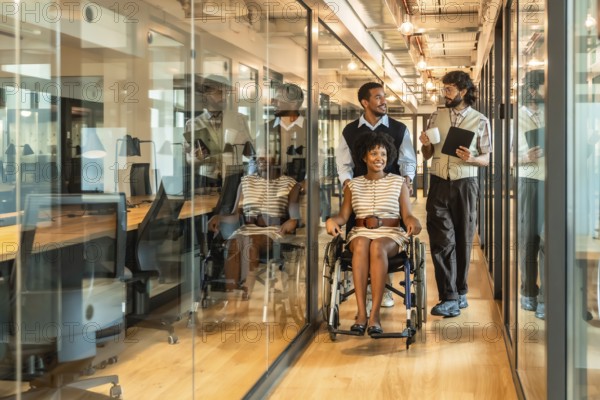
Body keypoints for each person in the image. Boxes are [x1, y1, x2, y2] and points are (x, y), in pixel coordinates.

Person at [326, 132, 421, 336]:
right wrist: (331, 220)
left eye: (384, 154)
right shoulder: (352, 185)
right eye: (374, 153)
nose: (379, 158)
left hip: (391, 234)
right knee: (361, 243)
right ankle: (362, 313)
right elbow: (343, 216)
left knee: (377, 245)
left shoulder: (399, 183)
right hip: (360, 232)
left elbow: (407, 215)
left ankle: (375, 315)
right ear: (364, 157)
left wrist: (414, 222)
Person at [335, 81, 417, 308]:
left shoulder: (399, 128)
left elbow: (408, 159)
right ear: (365, 102)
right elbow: (343, 164)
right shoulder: (350, 131)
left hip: (390, 193)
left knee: (382, 239)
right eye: (379, 97)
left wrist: (407, 180)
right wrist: (349, 185)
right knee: (362, 239)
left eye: (385, 97)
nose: (384, 101)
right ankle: (366, 296)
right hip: (360, 192)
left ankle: (384, 291)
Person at [419, 70, 492, 318]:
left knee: (463, 238)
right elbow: (427, 155)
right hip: (438, 182)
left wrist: (472, 158)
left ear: (462, 91)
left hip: (466, 184)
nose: (445, 94)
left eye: (449, 89)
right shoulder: (434, 117)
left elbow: (486, 158)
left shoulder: (481, 120)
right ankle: (449, 296)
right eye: (444, 89)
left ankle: (460, 291)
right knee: (441, 241)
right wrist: (426, 144)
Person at [207, 150, 301, 297]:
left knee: (250, 243)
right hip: (246, 229)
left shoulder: (289, 184)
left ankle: (245, 294)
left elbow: (294, 214)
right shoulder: (246, 181)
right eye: (259, 155)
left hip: (272, 232)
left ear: (277, 157)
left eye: (267, 153)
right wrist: (219, 218)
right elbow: (235, 215)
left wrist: (292, 221)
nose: (261, 158)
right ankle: (231, 298)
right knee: (233, 243)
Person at [183, 74, 251, 191]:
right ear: (206, 94)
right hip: (205, 181)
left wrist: (245, 142)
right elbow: (189, 160)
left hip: (233, 178)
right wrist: (197, 157)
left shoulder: (239, 120)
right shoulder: (193, 124)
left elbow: (251, 155)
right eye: (219, 92)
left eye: (227, 93)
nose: (224, 97)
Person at [517, 69, 545, 319]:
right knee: (529, 240)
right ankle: (528, 292)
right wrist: (525, 157)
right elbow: (505, 157)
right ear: (534, 90)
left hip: (555, 182)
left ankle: (546, 296)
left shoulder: (555, 112)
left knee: (550, 240)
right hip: (528, 181)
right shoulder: (517, 118)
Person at [265, 83, 306, 184]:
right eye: (273, 99)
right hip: (272, 188)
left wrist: (307, 182)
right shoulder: (265, 128)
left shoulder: (310, 129)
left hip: (301, 190)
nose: (273, 103)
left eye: (278, 99)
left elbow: (318, 160)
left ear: (294, 103)